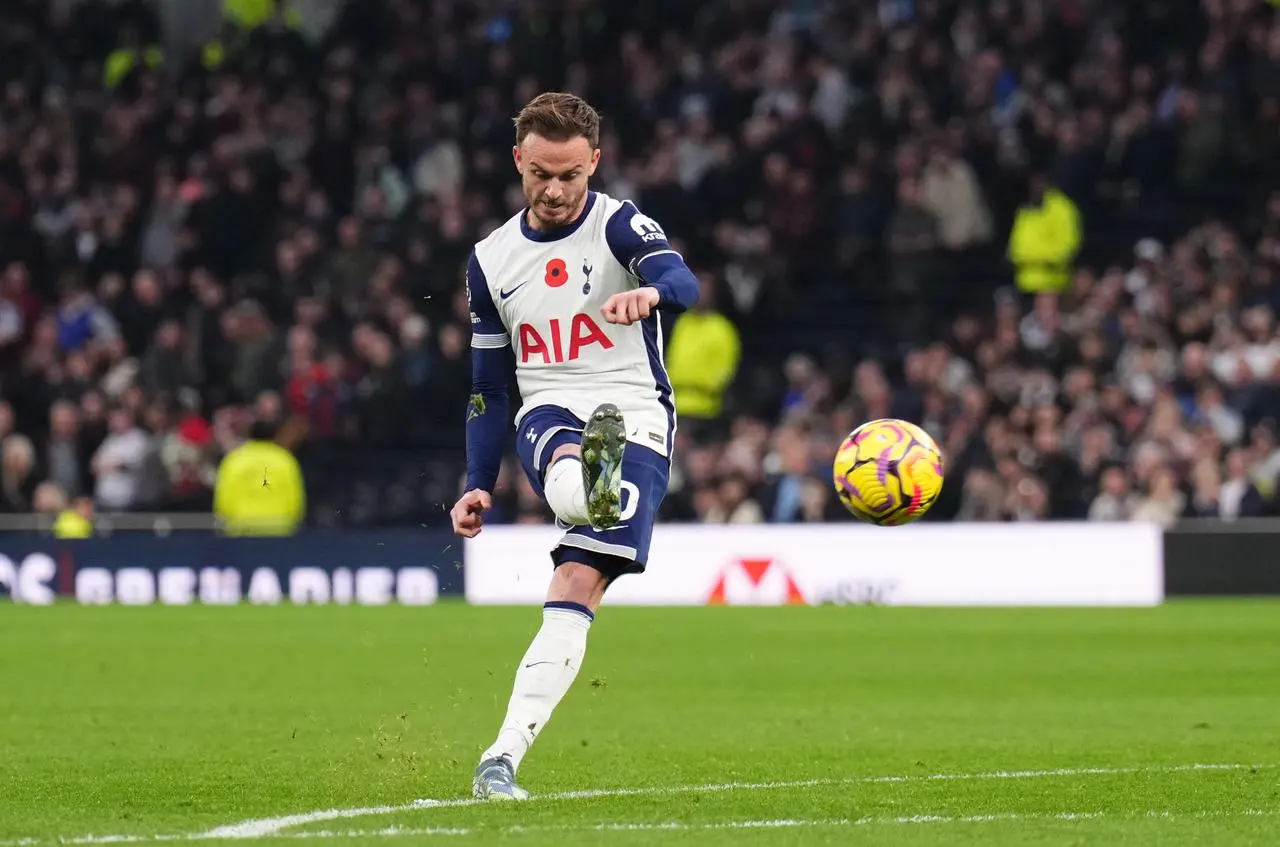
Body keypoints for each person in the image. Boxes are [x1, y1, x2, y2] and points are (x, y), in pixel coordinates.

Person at [450, 92, 699, 801]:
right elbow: (488, 387)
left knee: (576, 584)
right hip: (549, 406)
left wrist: (652, 296)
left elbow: (682, 278)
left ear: (594, 162)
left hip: (636, 411)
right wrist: (477, 480)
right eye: (539, 175)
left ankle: (500, 757)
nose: (555, 192)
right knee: (566, 458)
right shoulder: (490, 261)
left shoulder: (619, 223)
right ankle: (587, 476)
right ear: (517, 162)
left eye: (569, 176)